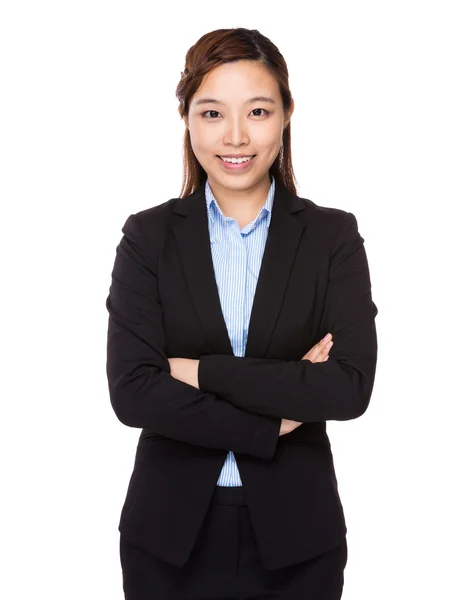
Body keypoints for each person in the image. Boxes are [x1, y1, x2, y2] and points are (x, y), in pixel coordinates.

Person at [105, 26, 378, 600]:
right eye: (211, 113)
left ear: (286, 114)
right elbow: (133, 392)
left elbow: (348, 388)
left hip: (299, 539)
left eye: (257, 110)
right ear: (186, 119)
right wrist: (273, 419)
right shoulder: (147, 238)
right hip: (168, 536)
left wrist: (200, 372)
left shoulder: (332, 237)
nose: (235, 136)